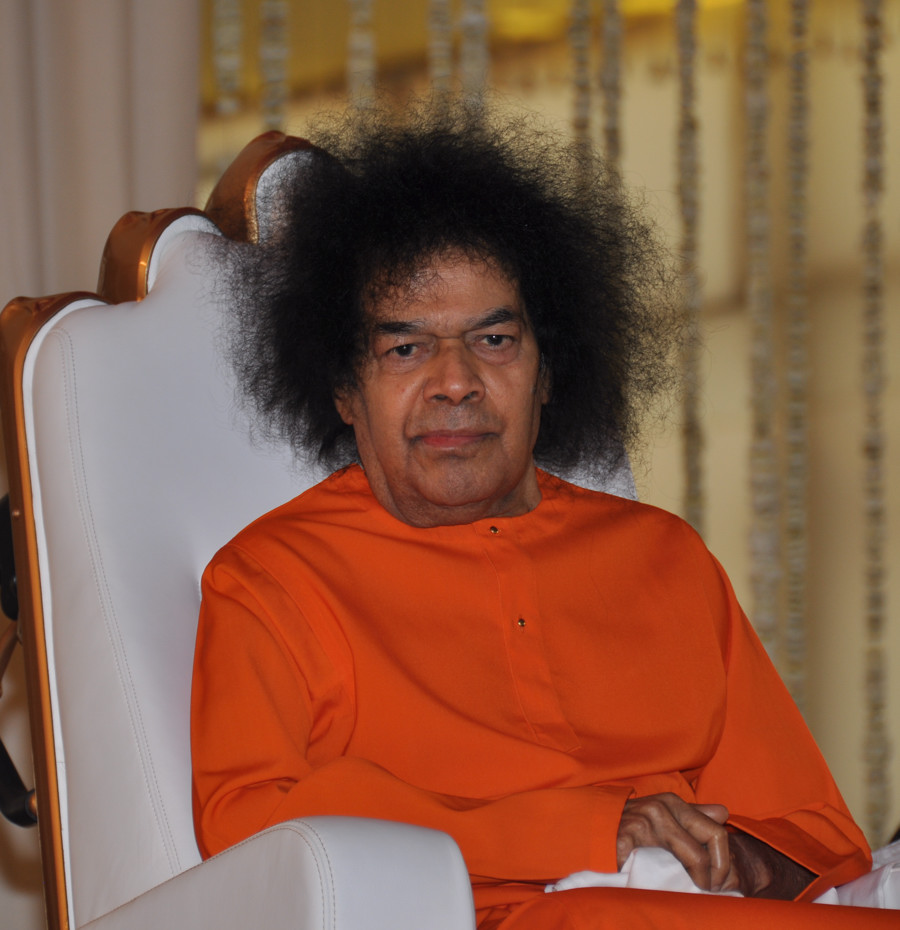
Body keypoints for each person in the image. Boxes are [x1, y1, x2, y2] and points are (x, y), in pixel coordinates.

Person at [190, 102, 891, 928]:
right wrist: (585, 833)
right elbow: (250, 825)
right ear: (345, 389)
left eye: (494, 341)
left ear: (549, 372)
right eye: (406, 348)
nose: (456, 383)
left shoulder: (663, 555)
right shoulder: (271, 580)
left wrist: (725, 857)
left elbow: (816, 835)